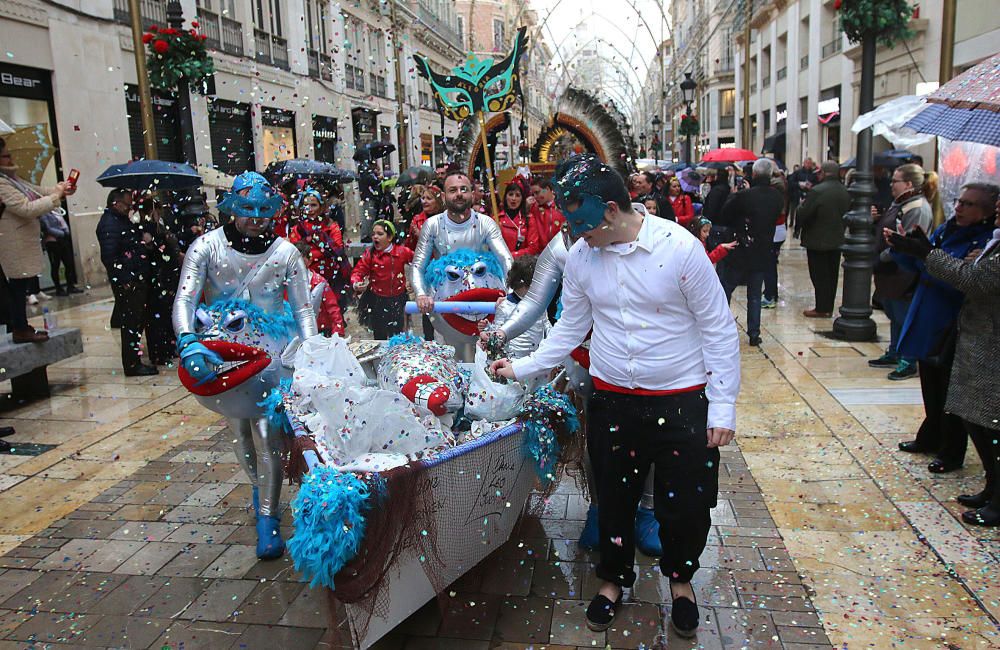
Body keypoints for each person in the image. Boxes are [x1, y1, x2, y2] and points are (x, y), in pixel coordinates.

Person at [490, 157, 740, 637]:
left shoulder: (679, 249)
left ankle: (681, 581)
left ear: (610, 211)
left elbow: (718, 329)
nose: (576, 236)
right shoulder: (583, 255)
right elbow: (571, 326)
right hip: (614, 399)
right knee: (614, 495)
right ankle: (613, 577)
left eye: (581, 225)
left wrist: (723, 405)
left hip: (680, 399)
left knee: (683, 502)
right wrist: (522, 366)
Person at [173, 171, 317, 558]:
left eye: (263, 211)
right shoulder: (205, 247)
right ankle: (259, 489)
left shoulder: (286, 253)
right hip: (222, 356)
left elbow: (303, 308)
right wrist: (188, 340)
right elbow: (185, 299)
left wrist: (312, 349)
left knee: (268, 434)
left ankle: (268, 519)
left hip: (272, 359)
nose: (255, 218)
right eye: (247, 209)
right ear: (231, 207)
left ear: (273, 212)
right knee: (239, 431)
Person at [887, 193, 1000, 526]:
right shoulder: (986, 239)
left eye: (970, 203)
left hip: (989, 339)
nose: (960, 208)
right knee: (969, 412)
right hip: (973, 334)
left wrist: (930, 253)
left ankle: (995, 494)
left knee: (987, 419)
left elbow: (976, 280)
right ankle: (992, 488)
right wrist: (918, 250)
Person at [0, 138, 75, 343]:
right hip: (13, 242)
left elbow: (36, 192)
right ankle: (19, 328)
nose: (11, 158)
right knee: (16, 287)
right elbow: (26, 208)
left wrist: (59, 189)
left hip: (23, 241)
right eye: (6, 155)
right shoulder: (2, 183)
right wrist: (55, 196)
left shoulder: (13, 179)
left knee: (20, 285)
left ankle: (21, 326)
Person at [411, 171, 513, 318]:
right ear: (444, 197)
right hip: (443, 307)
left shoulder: (485, 223)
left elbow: (506, 259)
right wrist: (421, 294)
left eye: (464, 189)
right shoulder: (432, 224)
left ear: (472, 194)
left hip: (483, 308)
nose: (459, 194)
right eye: (453, 190)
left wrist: (509, 293)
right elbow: (418, 265)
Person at [870, 163, 933, 380]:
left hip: (904, 272)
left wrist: (883, 258)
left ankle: (909, 360)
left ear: (908, 183)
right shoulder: (901, 202)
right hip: (891, 271)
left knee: (905, 315)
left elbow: (910, 242)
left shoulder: (917, 207)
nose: (891, 184)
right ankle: (895, 351)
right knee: (894, 314)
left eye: (895, 180)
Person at [718, 159, 784, 347]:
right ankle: (754, 333)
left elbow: (725, 216)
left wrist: (735, 195)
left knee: (727, 288)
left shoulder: (744, 196)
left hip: (741, 249)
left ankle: (721, 328)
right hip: (762, 250)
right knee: (754, 295)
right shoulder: (776, 197)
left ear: (753, 174)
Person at [96, 189, 158, 375]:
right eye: (127, 205)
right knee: (130, 323)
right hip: (128, 281)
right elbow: (109, 257)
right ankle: (132, 364)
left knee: (137, 322)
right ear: (116, 203)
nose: (130, 208)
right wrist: (124, 279)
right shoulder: (109, 224)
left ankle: (135, 359)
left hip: (136, 277)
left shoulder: (121, 220)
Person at [797, 160, 851, 318]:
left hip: (817, 240)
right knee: (832, 275)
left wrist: (801, 205)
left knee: (819, 275)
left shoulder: (818, 191)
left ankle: (822, 308)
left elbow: (803, 213)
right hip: (836, 239)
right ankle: (828, 306)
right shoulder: (844, 190)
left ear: (824, 173)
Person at [136, 195, 182, 365]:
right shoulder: (146, 229)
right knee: (157, 317)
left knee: (166, 314)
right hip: (158, 277)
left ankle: (168, 348)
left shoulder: (158, 226)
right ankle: (159, 352)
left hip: (167, 274)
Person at [288, 187, 351, 309]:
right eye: (306, 205)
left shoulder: (331, 226)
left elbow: (338, 249)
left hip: (330, 277)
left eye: (313, 205)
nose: (310, 209)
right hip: (305, 278)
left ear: (321, 207)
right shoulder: (298, 228)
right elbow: (295, 252)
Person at [352, 219, 413, 340]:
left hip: (398, 299)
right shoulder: (370, 254)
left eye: (380, 234)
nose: (375, 237)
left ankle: (395, 356)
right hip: (377, 300)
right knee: (379, 334)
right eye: (373, 234)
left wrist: (414, 282)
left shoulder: (402, 252)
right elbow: (358, 271)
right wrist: (356, 283)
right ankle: (381, 358)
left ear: (390, 237)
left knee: (398, 334)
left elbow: (418, 263)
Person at [491, 255, 549, 359]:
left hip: (537, 358)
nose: (532, 290)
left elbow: (546, 325)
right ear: (517, 283)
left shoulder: (540, 304)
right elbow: (497, 334)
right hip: (512, 361)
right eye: (528, 286)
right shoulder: (505, 306)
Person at [294, 241, 343, 336]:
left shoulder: (319, 282)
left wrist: (338, 332)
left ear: (309, 261)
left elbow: (333, 308)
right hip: (294, 330)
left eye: (301, 261)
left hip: (320, 330)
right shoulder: (286, 283)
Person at [40, 206, 82, 297]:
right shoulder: (44, 213)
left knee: (69, 263)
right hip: (53, 241)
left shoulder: (56, 210)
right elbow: (47, 228)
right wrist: (62, 233)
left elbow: (63, 223)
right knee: (55, 265)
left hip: (63, 239)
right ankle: (58, 288)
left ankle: (70, 286)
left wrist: (66, 232)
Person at [497, 178, 542, 257]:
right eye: (511, 194)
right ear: (505, 197)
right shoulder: (496, 219)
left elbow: (533, 248)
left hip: (521, 266)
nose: (513, 199)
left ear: (522, 199)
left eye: (517, 195)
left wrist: (511, 256)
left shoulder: (529, 219)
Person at [763, 173, 788, 308]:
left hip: (774, 232)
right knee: (771, 264)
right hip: (779, 231)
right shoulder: (782, 191)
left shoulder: (775, 194)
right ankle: (772, 293)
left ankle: (770, 295)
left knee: (769, 265)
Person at [405, 185, 443, 250]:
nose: (424, 201)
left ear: (437, 201)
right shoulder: (417, 220)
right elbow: (410, 248)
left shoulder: (446, 218)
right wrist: (413, 237)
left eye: (429, 198)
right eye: (423, 198)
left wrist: (423, 237)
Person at [530, 177, 565, 245]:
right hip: (540, 253)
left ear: (547, 189)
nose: (535, 196)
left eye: (537, 192)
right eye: (533, 194)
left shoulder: (563, 206)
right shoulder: (533, 208)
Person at [787, 157, 817, 237]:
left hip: (809, 195)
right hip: (798, 195)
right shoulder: (797, 173)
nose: (808, 165)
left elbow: (817, 183)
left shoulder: (814, 174)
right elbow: (790, 183)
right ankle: (797, 230)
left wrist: (811, 186)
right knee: (797, 213)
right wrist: (799, 184)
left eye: (809, 163)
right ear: (804, 163)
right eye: (807, 163)